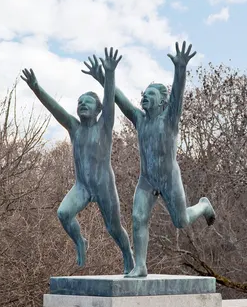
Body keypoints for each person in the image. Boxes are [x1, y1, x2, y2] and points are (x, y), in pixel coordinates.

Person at [82, 41, 215, 278]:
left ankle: (203, 205)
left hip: (169, 179)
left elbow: (177, 95)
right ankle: (140, 265)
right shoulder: (139, 119)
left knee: (181, 221)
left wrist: (180, 68)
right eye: (144, 94)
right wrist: (103, 77)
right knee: (137, 217)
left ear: (162, 101)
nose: (144, 98)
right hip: (147, 180)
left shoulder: (169, 119)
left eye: (150, 95)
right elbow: (119, 99)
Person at [21, 48, 134, 274]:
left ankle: (128, 254)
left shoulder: (104, 126)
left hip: (104, 186)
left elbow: (110, 97)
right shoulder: (75, 128)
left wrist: (109, 73)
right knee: (63, 214)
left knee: (113, 228)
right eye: (79, 101)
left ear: (98, 109)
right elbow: (55, 109)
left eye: (87, 102)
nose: (82, 104)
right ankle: (80, 241)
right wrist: (36, 87)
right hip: (82, 186)